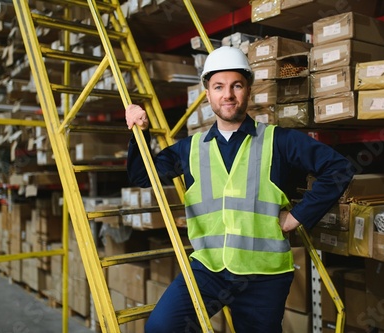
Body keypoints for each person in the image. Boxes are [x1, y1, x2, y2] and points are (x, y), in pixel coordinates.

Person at [125, 46, 354, 333]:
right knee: (162, 328)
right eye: (218, 87)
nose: (228, 95)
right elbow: (142, 176)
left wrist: (298, 217)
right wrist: (140, 133)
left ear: (248, 90)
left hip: (263, 276)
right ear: (207, 94)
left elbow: (339, 168)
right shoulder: (190, 149)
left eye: (236, 85)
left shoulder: (279, 141)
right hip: (208, 269)